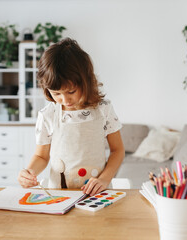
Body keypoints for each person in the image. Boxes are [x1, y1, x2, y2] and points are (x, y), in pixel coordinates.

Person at [18, 38, 125, 196]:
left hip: (97, 194)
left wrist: (104, 179)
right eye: (56, 94)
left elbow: (118, 150)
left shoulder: (103, 108)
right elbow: (41, 156)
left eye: (71, 91)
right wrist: (29, 172)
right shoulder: (48, 115)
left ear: (85, 82)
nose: (65, 100)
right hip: (59, 196)